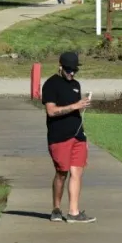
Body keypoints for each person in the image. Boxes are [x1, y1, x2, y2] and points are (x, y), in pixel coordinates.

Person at [41, 52, 95, 224]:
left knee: (77, 172)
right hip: (59, 137)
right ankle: (56, 208)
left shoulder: (76, 85)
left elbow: (76, 112)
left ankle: (74, 212)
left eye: (74, 70)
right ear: (60, 66)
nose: (72, 73)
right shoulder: (51, 85)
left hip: (78, 135)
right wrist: (75, 105)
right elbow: (51, 111)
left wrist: (83, 135)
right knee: (61, 173)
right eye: (69, 70)